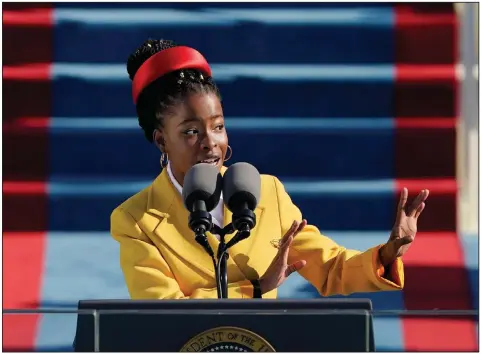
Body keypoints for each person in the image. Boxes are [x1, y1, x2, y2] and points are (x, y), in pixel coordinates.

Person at [110, 39, 430, 299]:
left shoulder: (266, 193)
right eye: (191, 131)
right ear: (161, 140)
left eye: (218, 127)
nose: (211, 143)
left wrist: (387, 255)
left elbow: (331, 269)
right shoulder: (136, 220)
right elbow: (163, 315)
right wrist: (258, 290)